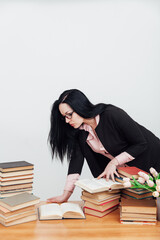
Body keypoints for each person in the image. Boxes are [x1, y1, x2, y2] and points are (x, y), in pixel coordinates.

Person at [47, 89, 160, 203]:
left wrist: (114, 162)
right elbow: (76, 160)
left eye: (69, 115)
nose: (67, 121)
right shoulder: (81, 132)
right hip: (132, 174)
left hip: (154, 161)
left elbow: (140, 143)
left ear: (79, 107)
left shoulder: (112, 114)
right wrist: (66, 194)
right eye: (64, 117)